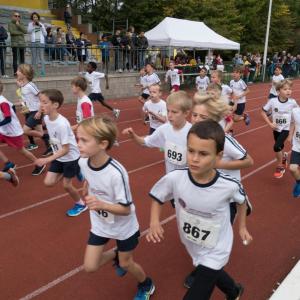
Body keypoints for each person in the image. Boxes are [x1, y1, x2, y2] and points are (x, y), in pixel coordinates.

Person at [147, 120, 252, 300]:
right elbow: (157, 196)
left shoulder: (229, 186)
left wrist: (242, 227)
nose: (194, 158)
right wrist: (154, 222)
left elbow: (242, 203)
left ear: (218, 156)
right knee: (209, 270)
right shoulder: (175, 178)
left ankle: (232, 291)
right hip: (192, 243)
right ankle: (233, 291)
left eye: (203, 154)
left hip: (217, 247)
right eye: (191, 151)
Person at [77, 116, 155, 299]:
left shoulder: (116, 173)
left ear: (103, 144)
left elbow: (126, 209)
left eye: (84, 140)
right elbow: (91, 177)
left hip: (123, 227)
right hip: (100, 223)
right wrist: (87, 186)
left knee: (126, 264)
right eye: (77, 139)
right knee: (90, 267)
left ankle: (146, 284)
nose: (78, 144)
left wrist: (101, 204)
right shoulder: (82, 161)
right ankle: (115, 254)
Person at [35, 89, 87, 217]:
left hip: (70, 157)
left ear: (55, 105)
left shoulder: (62, 124)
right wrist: (38, 113)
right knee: (48, 183)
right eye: (40, 102)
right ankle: (78, 170)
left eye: (44, 102)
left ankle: (81, 204)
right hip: (59, 156)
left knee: (66, 185)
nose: (41, 105)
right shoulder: (47, 118)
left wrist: (46, 160)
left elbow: (66, 149)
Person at [123, 91, 192, 174]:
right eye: (168, 111)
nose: (169, 115)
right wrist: (133, 136)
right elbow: (145, 142)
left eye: (174, 112)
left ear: (186, 113)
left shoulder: (192, 132)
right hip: (169, 179)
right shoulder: (164, 129)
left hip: (187, 180)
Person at [0, 80, 45, 176]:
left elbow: (8, 118)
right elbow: (12, 108)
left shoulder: (3, 102)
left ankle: (39, 164)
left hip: (12, 132)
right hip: (3, 130)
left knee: (22, 150)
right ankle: (8, 163)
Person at [261, 79, 298, 179]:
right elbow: (263, 112)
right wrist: (270, 124)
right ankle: (284, 157)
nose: (288, 91)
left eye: (290, 89)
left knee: (276, 147)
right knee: (280, 147)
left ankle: (280, 166)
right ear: (278, 91)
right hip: (276, 129)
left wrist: (291, 134)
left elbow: (296, 118)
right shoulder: (272, 101)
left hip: (285, 129)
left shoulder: (292, 102)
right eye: (285, 89)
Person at [16, 64, 52, 156]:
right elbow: (24, 98)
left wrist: (40, 111)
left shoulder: (30, 85)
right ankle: (49, 146)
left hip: (35, 111)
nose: (16, 72)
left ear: (24, 74)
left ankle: (47, 137)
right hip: (29, 111)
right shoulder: (23, 86)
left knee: (25, 130)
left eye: (18, 71)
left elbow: (41, 97)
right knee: (39, 132)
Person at [27, 12, 47, 76]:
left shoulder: (41, 24)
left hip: (41, 42)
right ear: (32, 18)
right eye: (34, 17)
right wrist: (33, 26)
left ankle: (43, 72)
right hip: (33, 42)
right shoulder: (30, 24)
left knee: (41, 57)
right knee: (34, 58)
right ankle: (34, 72)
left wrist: (41, 26)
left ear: (38, 18)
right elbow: (29, 31)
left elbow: (45, 34)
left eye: (36, 17)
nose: (35, 18)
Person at [8, 11, 27, 76]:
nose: (17, 17)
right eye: (15, 16)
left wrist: (18, 26)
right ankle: (15, 73)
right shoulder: (10, 23)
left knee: (22, 60)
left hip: (22, 44)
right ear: (12, 17)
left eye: (18, 16)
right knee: (15, 59)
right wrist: (20, 33)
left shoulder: (21, 23)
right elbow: (12, 32)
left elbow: (25, 31)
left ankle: (22, 72)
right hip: (15, 44)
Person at [289, 105, 300, 197]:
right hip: (297, 147)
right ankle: (299, 182)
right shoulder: (295, 111)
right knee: (292, 168)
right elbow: (293, 122)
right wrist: (290, 134)